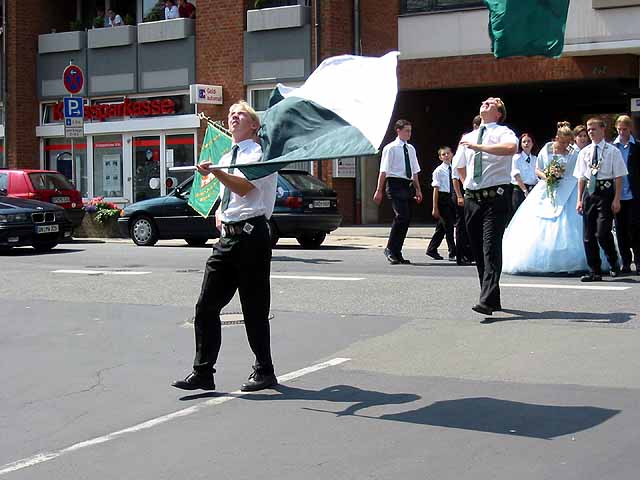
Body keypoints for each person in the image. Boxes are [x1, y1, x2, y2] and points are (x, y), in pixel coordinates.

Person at [172, 100, 279, 392]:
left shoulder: (261, 154)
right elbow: (231, 196)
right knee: (206, 305)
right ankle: (203, 372)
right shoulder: (226, 154)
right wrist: (221, 211)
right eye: (231, 113)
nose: (233, 116)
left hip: (251, 236)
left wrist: (215, 171)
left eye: (240, 113)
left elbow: (245, 187)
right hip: (227, 237)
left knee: (253, 307)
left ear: (254, 125)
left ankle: (264, 369)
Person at [503, 122, 593, 274]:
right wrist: (548, 177)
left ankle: (573, 259)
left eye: (567, 143)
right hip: (547, 186)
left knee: (568, 224)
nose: (565, 146)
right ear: (557, 139)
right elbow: (537, 169)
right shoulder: (547, 148)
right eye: (562, 142)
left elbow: (577, 173)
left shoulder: (573, 153)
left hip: (568, 189)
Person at [456, 97, 517, 315]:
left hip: (495, 198)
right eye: (483, 102)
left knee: (490, 247)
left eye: (491, 103)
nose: (484, 104)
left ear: (499, 113)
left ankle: (486, 299)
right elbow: (459, 166)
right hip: (473, 198)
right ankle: (492, 297)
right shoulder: (467, 137)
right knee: (478, 251)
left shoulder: (503, 132)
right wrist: (467, 186)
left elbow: (511, 148)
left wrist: (480, 147)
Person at [575, 117, 628, 281]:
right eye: (588, 129)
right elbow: (581, 178)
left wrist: (617, 199)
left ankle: (613, 261)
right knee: (588, 235)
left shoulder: (613, 151)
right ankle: (594, 271)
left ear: (603, 130)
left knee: (602, 232)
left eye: (594, 129)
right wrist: (579, 199)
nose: (590, 132)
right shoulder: (584, 152)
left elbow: (619, 176)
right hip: (589, 194)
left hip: (606, 193)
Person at [373, 119, 423, 265]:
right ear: (398, 131)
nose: (409, 133)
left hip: (407, 185)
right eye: (407, 130)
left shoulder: (411, 149)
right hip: (395, 184)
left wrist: (418, 189)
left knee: (406, 219)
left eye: (410, 131)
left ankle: (397, 251)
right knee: (401, 216)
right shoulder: (391, 148)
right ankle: (390, 249)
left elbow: (414, 171)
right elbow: (384, 171)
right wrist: (379, 190)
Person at [451, 115, 480, 266]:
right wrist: (459, 196)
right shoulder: (463, 149)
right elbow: (455, 176)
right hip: (461, 191)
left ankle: (469, 253)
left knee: (470, 224)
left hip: (468, 190)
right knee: (461, 225)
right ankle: (460, 254)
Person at [613, 115, 640, 274]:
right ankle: (625, 261)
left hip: (634, 194)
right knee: (621, 230)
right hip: (618, 195)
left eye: (625, 129)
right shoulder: (612, 147)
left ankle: (638, 260)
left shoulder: (636, 146)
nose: (622, 132)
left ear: (630, 128)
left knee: (635, 228)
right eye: (619, 129)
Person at [426, 146, 457, 260]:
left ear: (452, 154)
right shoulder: (438, 171)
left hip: (451, 197)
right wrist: (435, 207)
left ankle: (432, 249)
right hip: (442, 198)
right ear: (440, 157)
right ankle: (452, 251)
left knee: (442, 227)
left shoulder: (454, 168)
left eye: (448, 153)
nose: (446, 156)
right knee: (449, 226)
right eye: (443, 154)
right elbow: (436, 189)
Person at [510, 133, 538, 215]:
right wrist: (525, 191)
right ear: (520, 144)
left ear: (532, 144)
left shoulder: (535, 159)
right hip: (520, 191)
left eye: (529, 141)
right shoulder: (516, 158)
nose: (526, 144)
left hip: (533, 190)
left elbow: (537, 175)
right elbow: (516, 175)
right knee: (518, 215)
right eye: (524, 142)